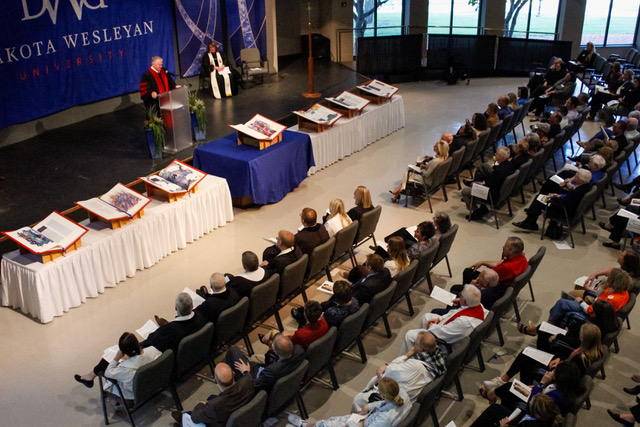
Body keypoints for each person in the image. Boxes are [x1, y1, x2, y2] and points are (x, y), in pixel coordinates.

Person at [483, 323, 605, 391]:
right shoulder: (588, 349)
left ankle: (504, 381)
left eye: (581, 334)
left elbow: (567, 375)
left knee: (526, 358)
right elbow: (569, 358)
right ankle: (505, 380)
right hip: (560, 364)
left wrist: (554, 370)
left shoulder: (581, 359)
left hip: (556, 376)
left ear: (586, 338)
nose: (579, 334)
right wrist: (560, 359)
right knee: (527, 353)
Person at [352, 331, 446, 410]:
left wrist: (406, 355)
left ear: (421, 350)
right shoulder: (437, 357)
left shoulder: (414, 366)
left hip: (394, 400)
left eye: (415, 344)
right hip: (409, 394)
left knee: (358, 399)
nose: (413, 345)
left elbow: (387, 372)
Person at [474, 362, 583, 424]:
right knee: (511, 387)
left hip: (531, 411)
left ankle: (491, 398)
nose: (553, 372)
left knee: (499, 403)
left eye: (555, 373)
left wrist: (541, 384)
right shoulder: (566, 389)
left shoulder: (557, 397)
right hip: (536, 403)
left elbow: (537, 403)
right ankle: (492, 398)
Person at [288, 377, 411, 427]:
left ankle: (304, 425)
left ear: (383, 395)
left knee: (328, 425)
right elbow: (383, 404)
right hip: (367, 419)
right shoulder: (401, 394)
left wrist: (351, 423)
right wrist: (369, 405)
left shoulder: (383, 420)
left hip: (362, 425)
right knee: (332, 420)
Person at [402, 285, 487, 355]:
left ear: (464, 301)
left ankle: (404, 359)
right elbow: (456, 312)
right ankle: (420, 348)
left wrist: (432, 326)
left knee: (409, 335)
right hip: (450, 328)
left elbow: (443, 334)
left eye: (460, 296)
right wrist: (440, 318)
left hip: (446, 344)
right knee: (426, 317)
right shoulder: (478, 305)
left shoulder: (464, 322)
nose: (459, 296)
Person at [74, 332, 162, 394]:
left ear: (124, 352)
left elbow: (108, 373)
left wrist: (116, 358)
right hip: (155, 382)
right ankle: (90, 376)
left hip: (135, 391)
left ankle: (90, 376)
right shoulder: (153, 350)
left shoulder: (124, 369)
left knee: (108, 365)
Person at [172, 362, 254, 427]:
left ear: (216, 381)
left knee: (190, 415)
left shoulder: (213, 405)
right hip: (239, 413)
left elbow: (195, 417)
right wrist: (246, 371)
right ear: (233, 374)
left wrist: (201, 404)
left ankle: (182, 420)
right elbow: (247, 375)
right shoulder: (248, 380)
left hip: (221, 422)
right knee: (211, 400)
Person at [545, 268, 630, 328]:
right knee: (567, 301)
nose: (607, 279)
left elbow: (590, 311)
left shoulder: (611, 300)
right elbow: (599, 295)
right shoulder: (623, 292)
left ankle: (549, 325)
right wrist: (604, 287)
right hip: (596, 309)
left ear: (614, 282)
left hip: (592, 317)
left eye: (609, 279)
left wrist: (581, 302)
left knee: (562, 303)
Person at [513, 169, 592, 232]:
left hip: (563, 210)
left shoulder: (577, 191)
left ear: (581, 180)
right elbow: (568, 197)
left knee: (539, 198)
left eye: (576, 177)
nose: (574, 177)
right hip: (566, 204)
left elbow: (567, 201)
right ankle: (530, 220)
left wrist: (554, 197)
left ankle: (530, 223)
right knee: (541, 197)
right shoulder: (586, 186)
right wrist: (559, 195)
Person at [224, 333, 305, 391]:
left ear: (276, 352)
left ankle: (230, 388)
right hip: (265, 369)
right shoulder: (299, 351)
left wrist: (246, 372)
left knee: (233, 350)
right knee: (246, 361)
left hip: (254, 378)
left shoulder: (272, 371)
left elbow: (255, 385)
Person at [462, 146, 515, 221]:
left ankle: (476, 211)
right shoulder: (509, 165)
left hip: (491, 195)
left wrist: (480, 184)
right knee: (480, 173)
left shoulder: (498, 172)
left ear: (500, 157)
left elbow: (489, 185)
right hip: (499, 190)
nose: (495, 154)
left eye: (496, 154)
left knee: (465, 191)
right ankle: (482, 207)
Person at [143, 293, 207, 353]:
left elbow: (150, 341)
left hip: (183, 360)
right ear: (192, 306)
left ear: (176, 308)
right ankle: (165, 323)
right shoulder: (201, 315)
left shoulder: (168, 330)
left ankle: (164, 324)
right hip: (200, 352)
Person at [390, 139, 450, 203]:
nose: (433, 146)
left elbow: (426, 174)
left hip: (427, 180)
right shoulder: (443, 158)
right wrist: (425, 167)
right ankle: (398, 192)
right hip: (434, 179)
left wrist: (422, 168)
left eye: (435, 146)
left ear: (439, 150)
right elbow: (432, 169)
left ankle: (398, 191)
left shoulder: (435, 161)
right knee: (409, 174)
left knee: (408, 172)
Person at [262, 300, 328, 350]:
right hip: (316, 350)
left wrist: (285, 335)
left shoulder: (300, 334)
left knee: (272, 333)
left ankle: (269, 345)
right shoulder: (324, 324)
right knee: (279, 335)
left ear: (304, 314)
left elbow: (288, 346)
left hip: (296, 353)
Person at [475, 393, 564, 427]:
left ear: (537, 414)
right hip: (521, 421)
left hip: (520, 423)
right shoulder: (550, 415)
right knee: (495, 409)